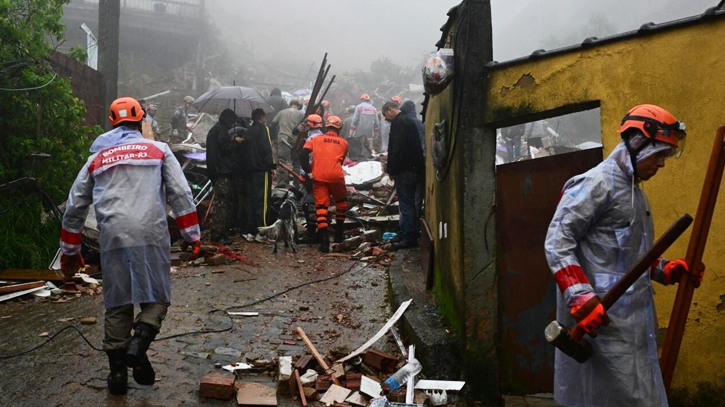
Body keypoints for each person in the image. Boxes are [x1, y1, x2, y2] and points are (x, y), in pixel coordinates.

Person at [544, 104, 702, 407]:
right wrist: (580, 298)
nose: (662, 164)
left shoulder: (633, 191)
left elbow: (627, 254)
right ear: (638, 143)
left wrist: (664, 270)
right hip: (603, 323)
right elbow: (557, 241)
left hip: (632, 324)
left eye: (667, 155)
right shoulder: (595, 184)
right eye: (659, 154)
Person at [59, 97, 201, 396]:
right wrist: (192, 236)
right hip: (150, 231)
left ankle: (117, 375)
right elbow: (181, 193)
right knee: (157, 298)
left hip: (112, 235)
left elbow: (75, 204)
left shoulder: (96, 158)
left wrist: (70, 251)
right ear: (141, 121)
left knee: (117, 302)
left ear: (112, 123)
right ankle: (138, 346)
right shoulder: (159, 150)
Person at [299, 116, 349, 253]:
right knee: (341, 202)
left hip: (319, 176)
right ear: (339, 128)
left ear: (326, 126)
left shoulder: (315, 140)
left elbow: (302, 154)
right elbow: (341, 161)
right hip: (336, 176)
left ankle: (324, 242)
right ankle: (339, 234)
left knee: (321, 207)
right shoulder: (344, 142)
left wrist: (309, 170)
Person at [383, 101, 425, 249]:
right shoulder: (410, 121)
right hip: (415, 169)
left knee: (406, 205)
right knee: (412, 204)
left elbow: (397, 149)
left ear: (390, 110)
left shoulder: (399, 123)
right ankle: (408, 232)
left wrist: (392, 169)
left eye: (384, 115)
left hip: (405, 171)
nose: (385, 119)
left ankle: (409, 236)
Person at [243, 108, 277, 242]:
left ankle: (251, 231)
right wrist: (272, 166)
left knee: (251, 200)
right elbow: (267, 148)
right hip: (261, 169)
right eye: (265, 117)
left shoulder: (248, 131)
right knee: (263, 201)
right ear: (261, 117)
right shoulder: (264, 129)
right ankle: (262, 232)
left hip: (249, 170)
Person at [206, 109, 239, 244]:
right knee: (222, 203)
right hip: (222, 171)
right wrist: (235, 142)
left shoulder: (215, 130)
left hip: (215, 170)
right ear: (228, 119)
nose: (233, 124)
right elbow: (225, 148)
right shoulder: (221, 130)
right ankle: (218, 234)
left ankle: (220, 232)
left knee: (222, 202)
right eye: (233, 120)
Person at [295, 114, 325, 242]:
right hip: (323, 174)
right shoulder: (324, 138)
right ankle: (321, 230)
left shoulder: (311, 140)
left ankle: (312, 232)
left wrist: (307, 173)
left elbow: (303, 156)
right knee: (321, 203)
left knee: (309, 203)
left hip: (312, 175)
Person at [400, 100, 426, 219]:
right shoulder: (421, 124)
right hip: (422, 164)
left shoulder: (404, 123)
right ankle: (415, 221)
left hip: (408, 166)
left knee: (406, 198)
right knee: (418, 196)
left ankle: (407, 226)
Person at [272, 98, 304, 183]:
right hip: (295, 140)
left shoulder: (282, 112)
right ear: (299, 106)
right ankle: (296, 182)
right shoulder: (301, 115)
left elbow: (274, 122)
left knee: (282, 160)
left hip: (283, 138)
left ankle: (281, 182)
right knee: (296, 162)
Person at [350, 93, 380, 158]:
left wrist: (351, 132)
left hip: (359, 131)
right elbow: (376, 123)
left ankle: (359, 158)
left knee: (359, 146)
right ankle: (370, 157)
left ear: (361, 100)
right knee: (370, 147)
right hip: (370, 132)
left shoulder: (358, 107)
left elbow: (355, 120)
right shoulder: (374, 109)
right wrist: (376, 133)